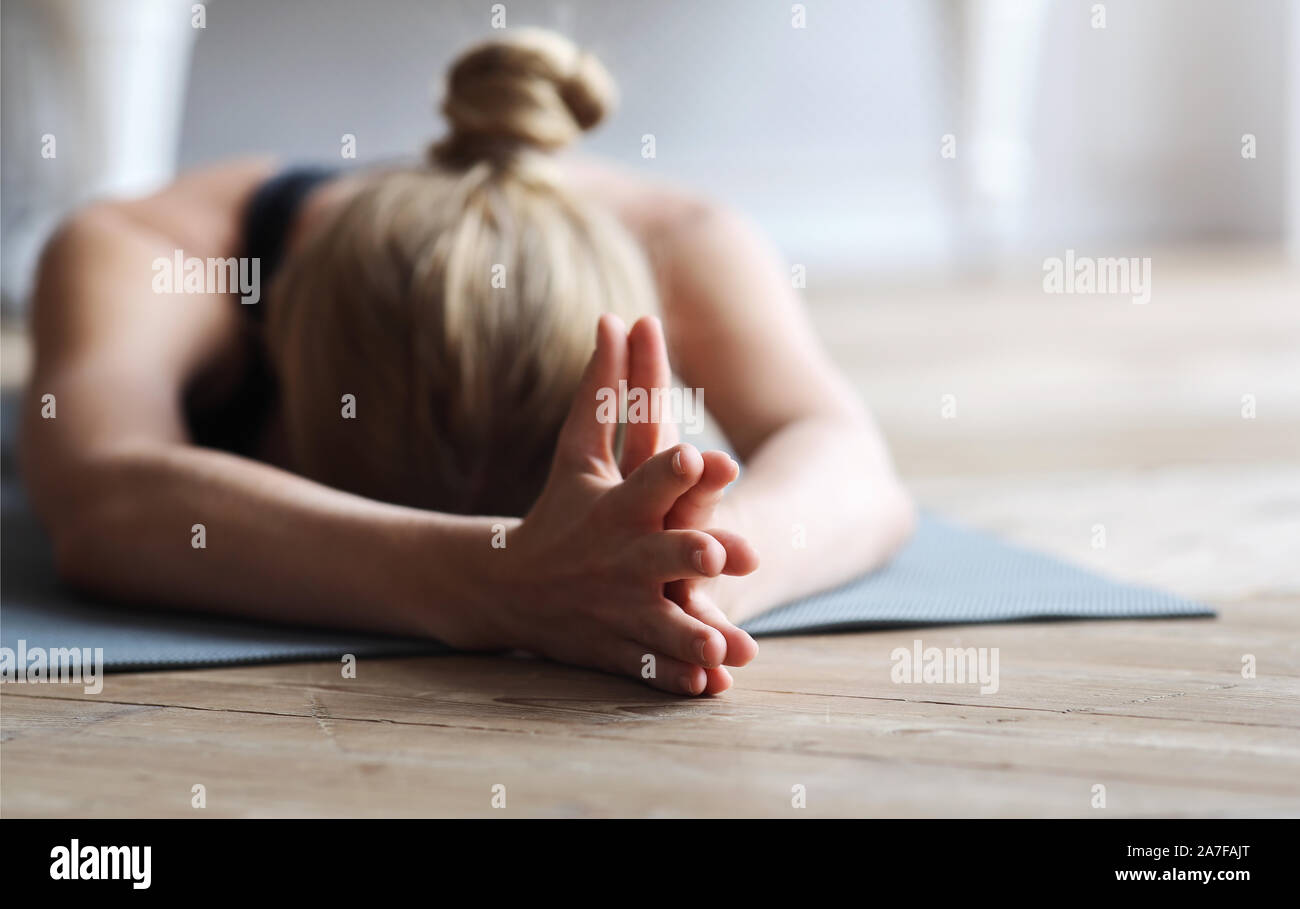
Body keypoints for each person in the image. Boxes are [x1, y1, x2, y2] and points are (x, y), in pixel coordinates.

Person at [20, 29, 914, 696]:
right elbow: (105, 496)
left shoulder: (684, 242)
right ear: (286, 349)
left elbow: (854, 465)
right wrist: (501, 583)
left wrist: (682, 580)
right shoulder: (149, 247)